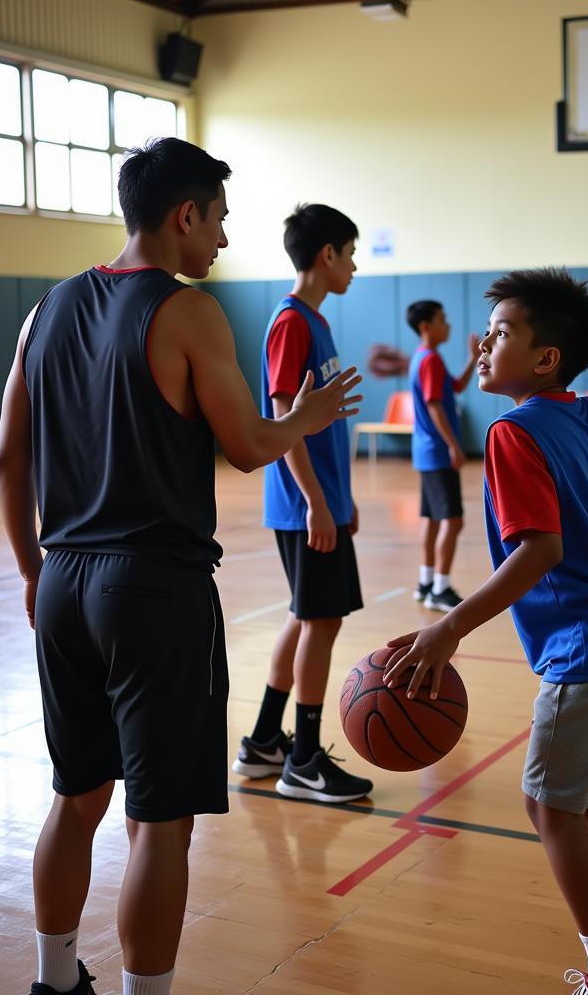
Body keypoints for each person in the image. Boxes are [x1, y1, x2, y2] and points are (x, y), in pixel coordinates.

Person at [0, 138, 360, 995]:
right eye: (221, 220)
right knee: (161, 822)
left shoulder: (43, 308)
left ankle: (55, 982)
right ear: (184, 214)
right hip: (153, 588)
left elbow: (11, 459)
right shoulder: (189, 311)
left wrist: (28, 573)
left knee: (74, 800)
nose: (224, 240)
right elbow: (244, 447)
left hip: (63, 582)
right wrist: (302, 418)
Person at [383, 269, 588, 995]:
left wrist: (448, 628)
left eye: (502, 332)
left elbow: (541, 552)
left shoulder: (512, 432)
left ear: (544, 359)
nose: (484, 342)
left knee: (547, 804)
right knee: (581, 793)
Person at [231, 203, 374, 804]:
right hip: (302, 502)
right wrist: (317, 502)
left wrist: (339, 500)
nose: (355, 266)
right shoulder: (292, 323)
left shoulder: (316, 322)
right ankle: (305, 760)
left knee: (304, 613)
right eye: (351, 253)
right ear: (327, 255)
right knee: (322, 619)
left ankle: (266, 740)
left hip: (321, 501)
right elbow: (285, 417)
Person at [405, 300, 480, 610]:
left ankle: (425, 583)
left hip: (425, 451)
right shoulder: (430, 360)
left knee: (433, 519)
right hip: (437, 452)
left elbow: (457, 387)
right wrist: (453, 444)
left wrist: (473, 359)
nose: (447, 324)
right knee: (453, 520)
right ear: (426, 326)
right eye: (442, 319)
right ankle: (441, 588)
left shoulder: (424, 359)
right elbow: (435, 406)